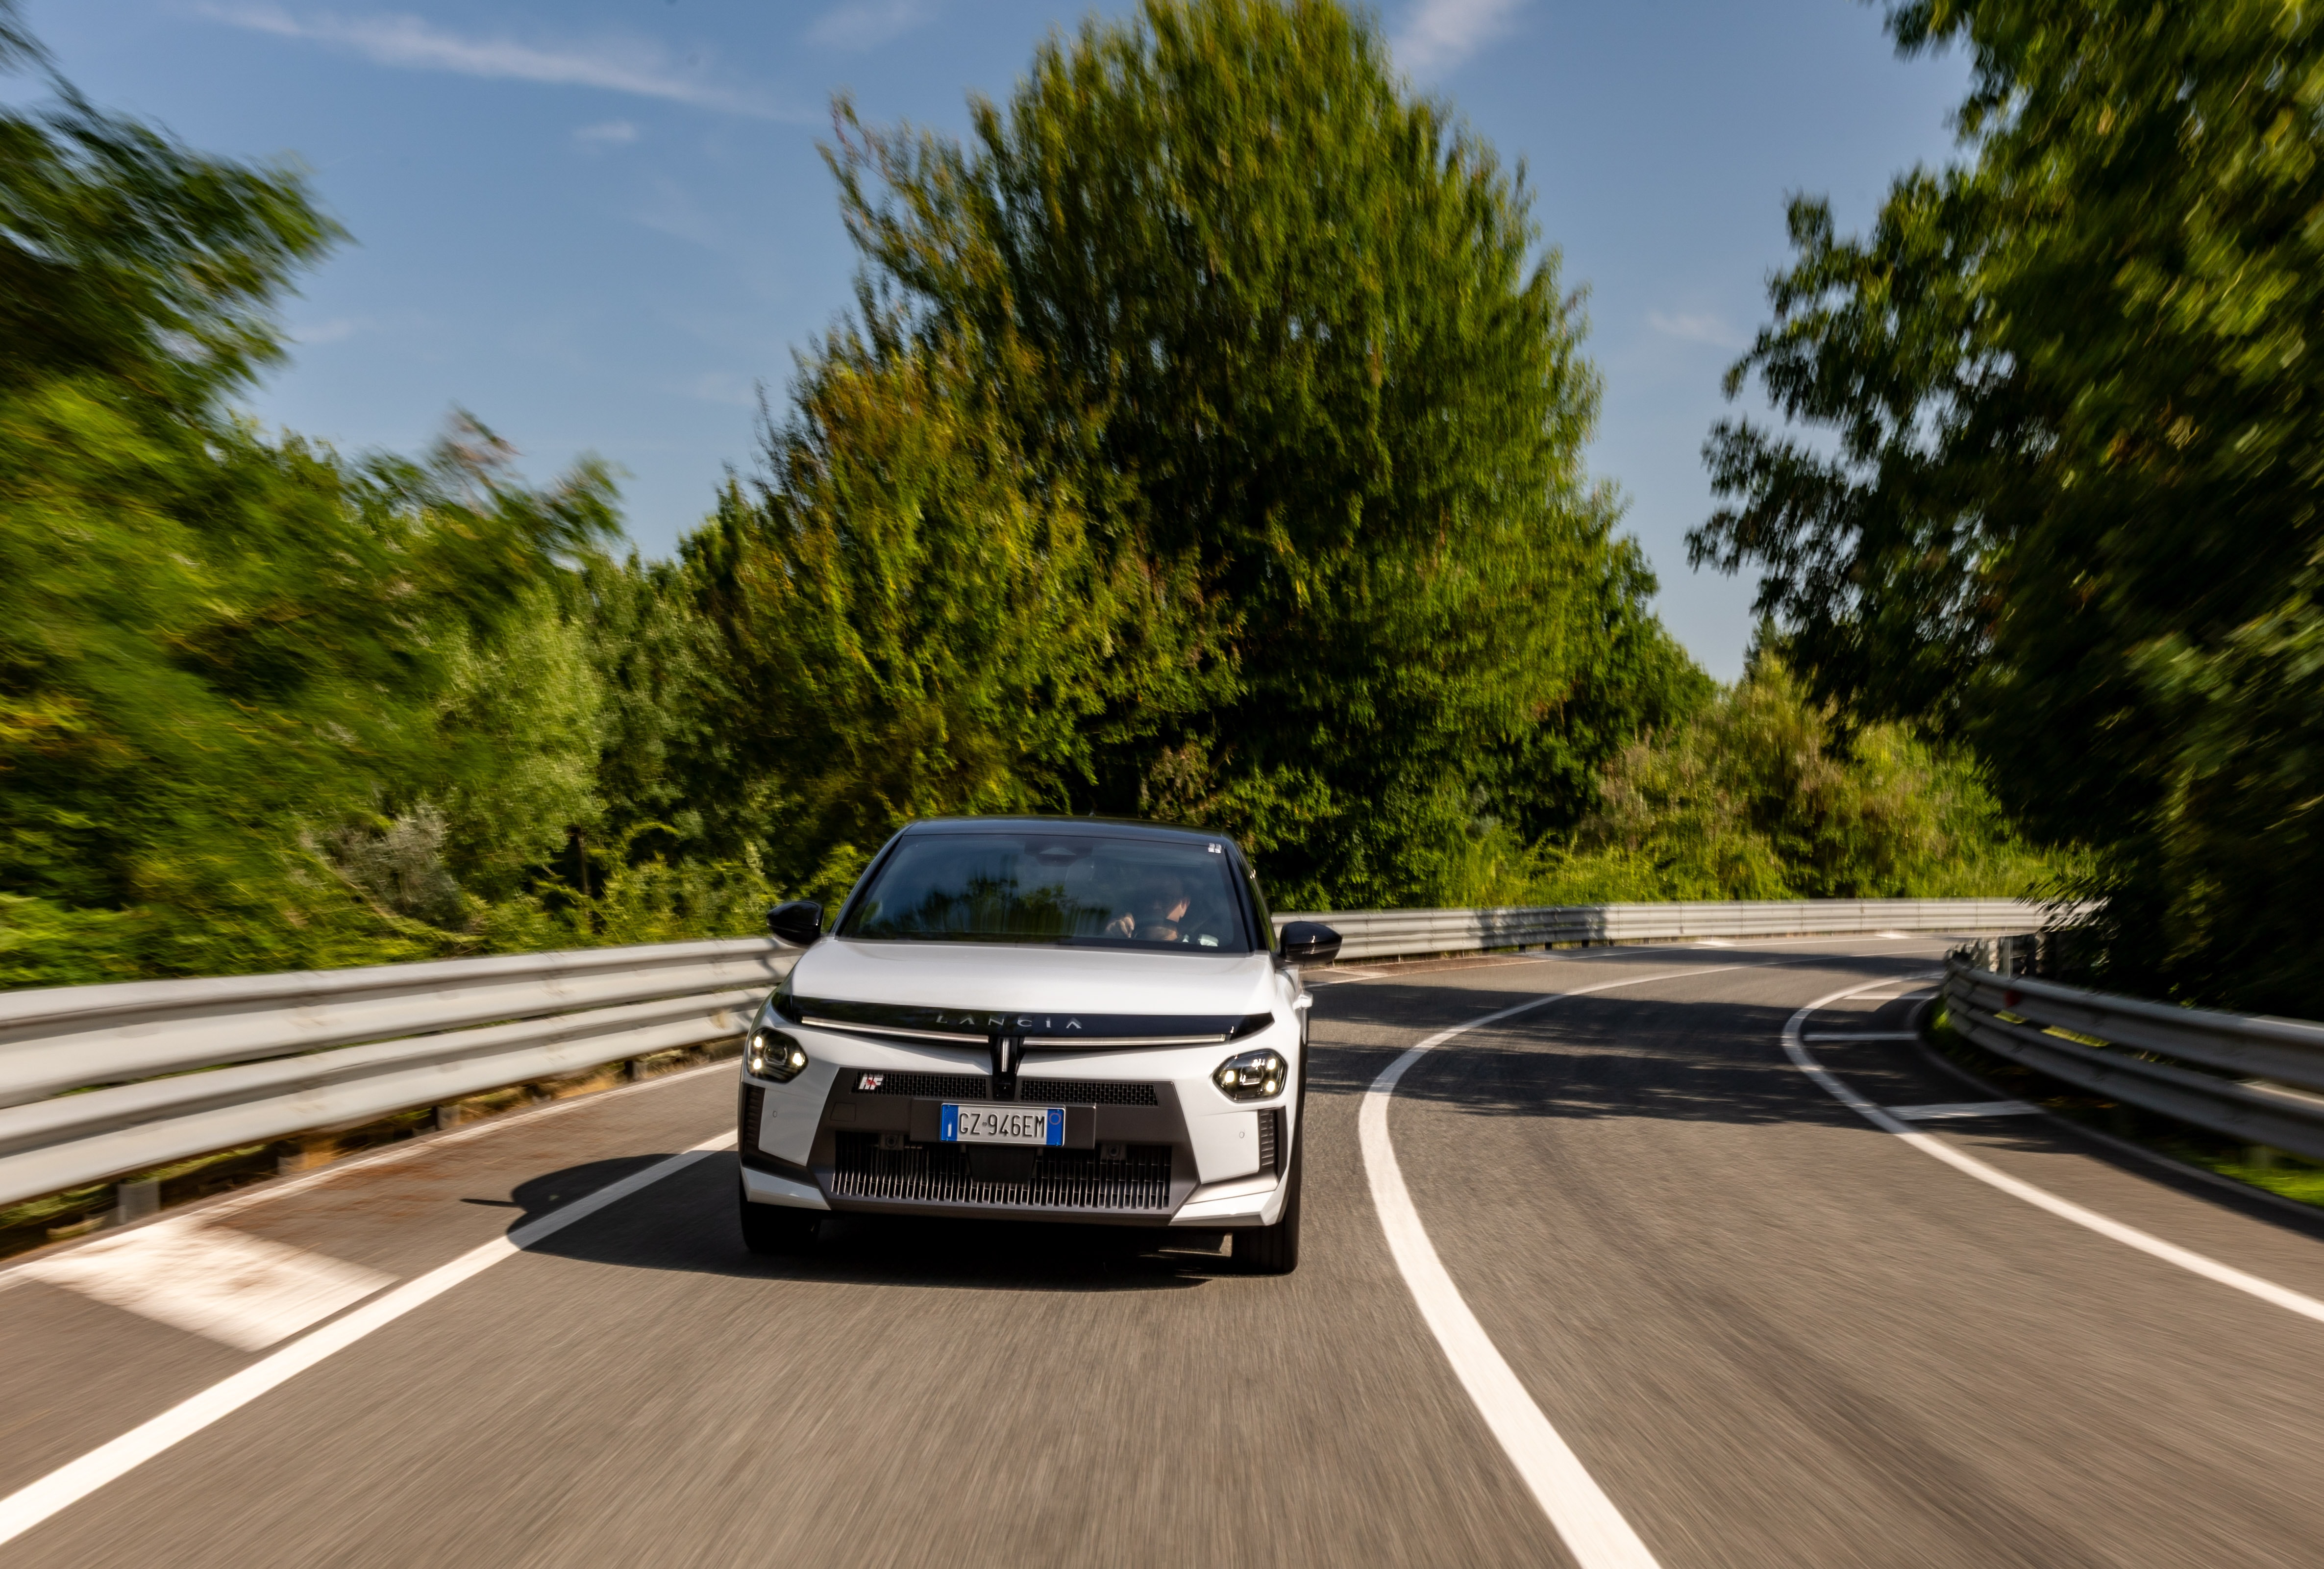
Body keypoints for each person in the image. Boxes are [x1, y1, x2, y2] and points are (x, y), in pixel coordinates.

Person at [1104, 874, 1190, 943]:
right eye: (1147, 899)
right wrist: (1111, 938)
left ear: (1183, 905)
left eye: (1165, 899)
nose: (1155, 907)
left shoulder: (1196, 954)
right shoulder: (1124, 943)